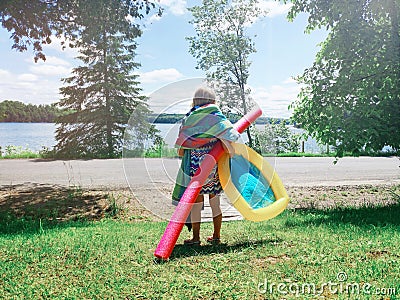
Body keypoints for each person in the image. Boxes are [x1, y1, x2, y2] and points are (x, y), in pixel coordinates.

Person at [172, 86, 239, 245]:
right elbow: (228, 142)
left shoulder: (189, 118)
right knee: (215, 203)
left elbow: (181, 150)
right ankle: (216, 236)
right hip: (213, 165)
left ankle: (195, 238)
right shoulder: (218, 118)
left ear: (195, 101)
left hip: (195, 167)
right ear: (213, 101)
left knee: (197, 204)